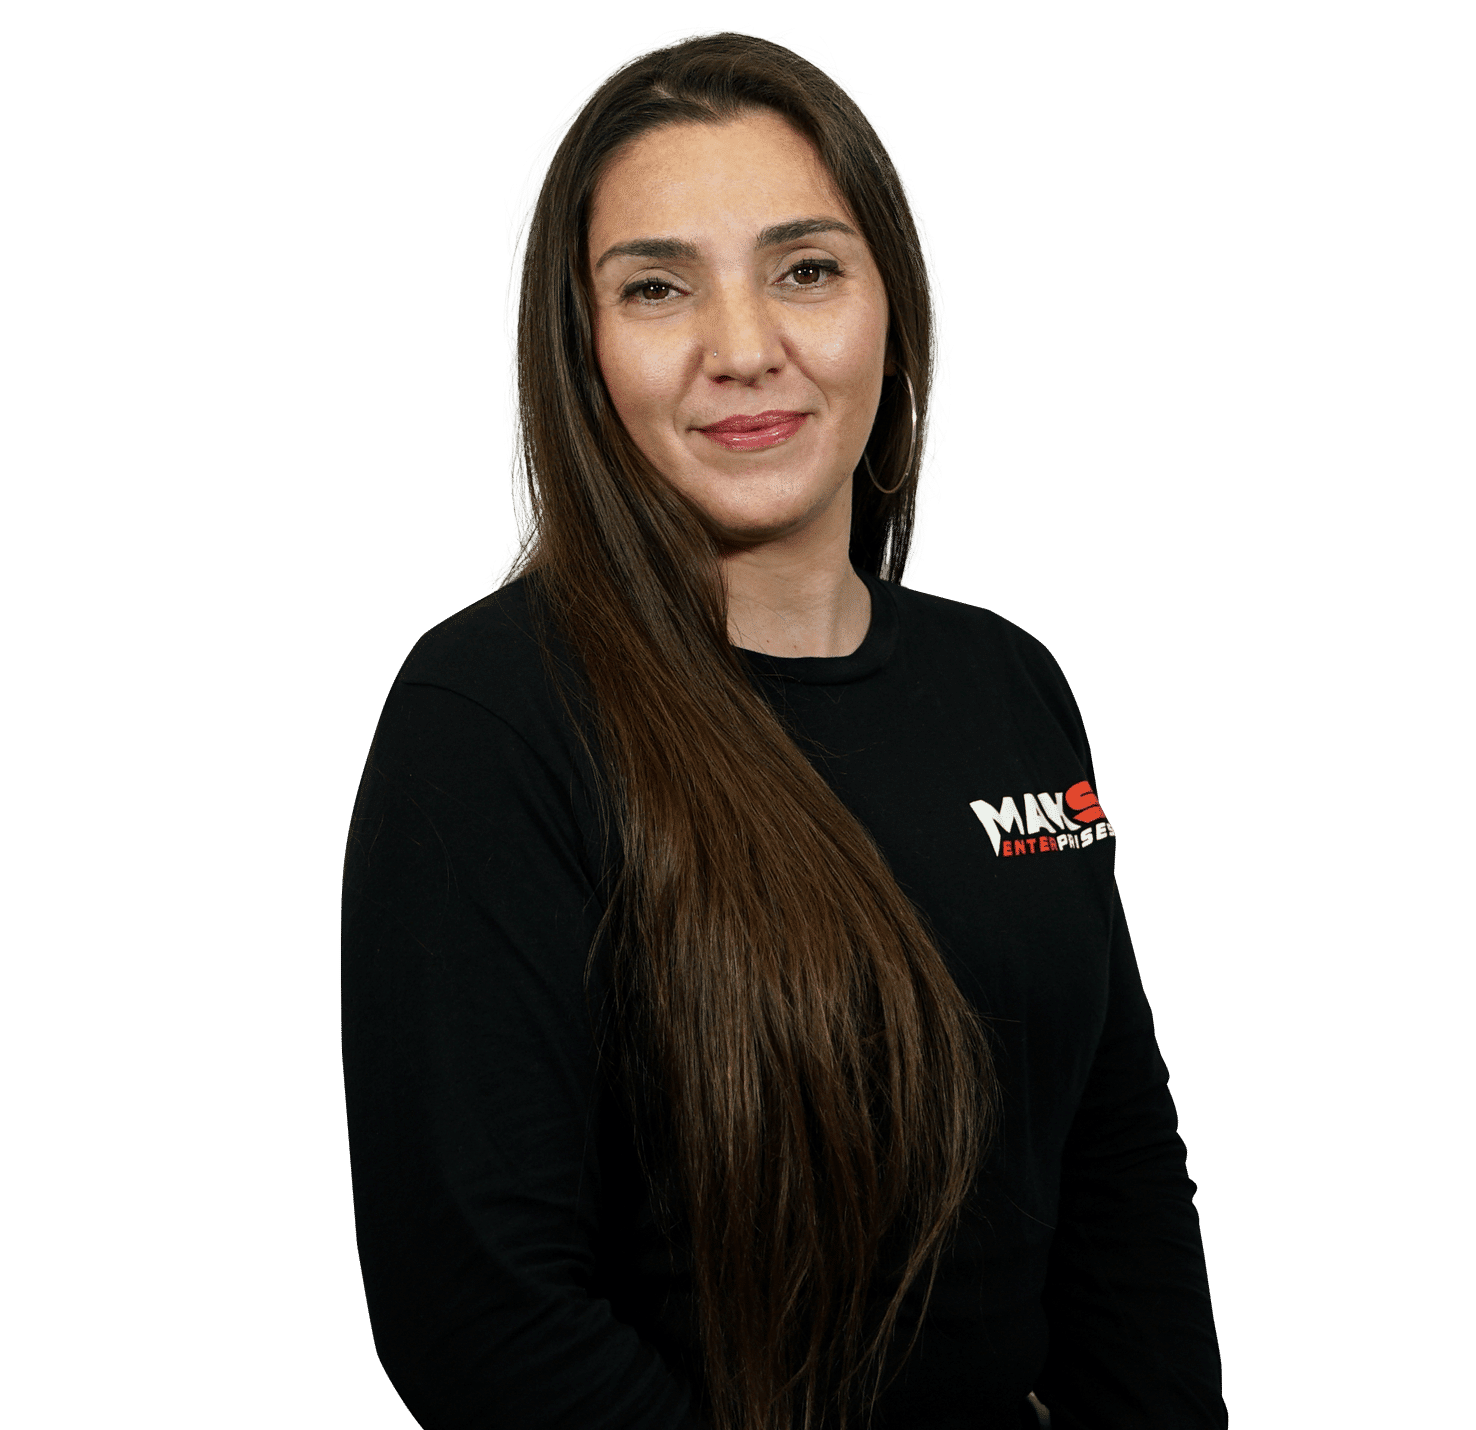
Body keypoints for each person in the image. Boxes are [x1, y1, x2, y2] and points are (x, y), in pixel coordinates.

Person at [340, 28, 1225, 1430]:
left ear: (894, 310)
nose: (744, 350)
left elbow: (1117, 1180)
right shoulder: (492, 717)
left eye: (805, 269)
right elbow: (483, 1315)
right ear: (581, 352)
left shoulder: (1009, 682)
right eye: (656, 287)